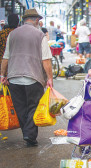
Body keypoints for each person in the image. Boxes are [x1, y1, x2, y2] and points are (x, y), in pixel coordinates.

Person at [1, 9, 53, 147]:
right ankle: (29, 135)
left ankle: (27, 133)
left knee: (21, 107)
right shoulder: (39, 35)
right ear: (36, 20)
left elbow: (5, 58)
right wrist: (49, 78)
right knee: (33, 107)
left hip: (14, 78)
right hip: (33, 78)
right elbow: (46, 60)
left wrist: (2, 75)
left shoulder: (12, 34)